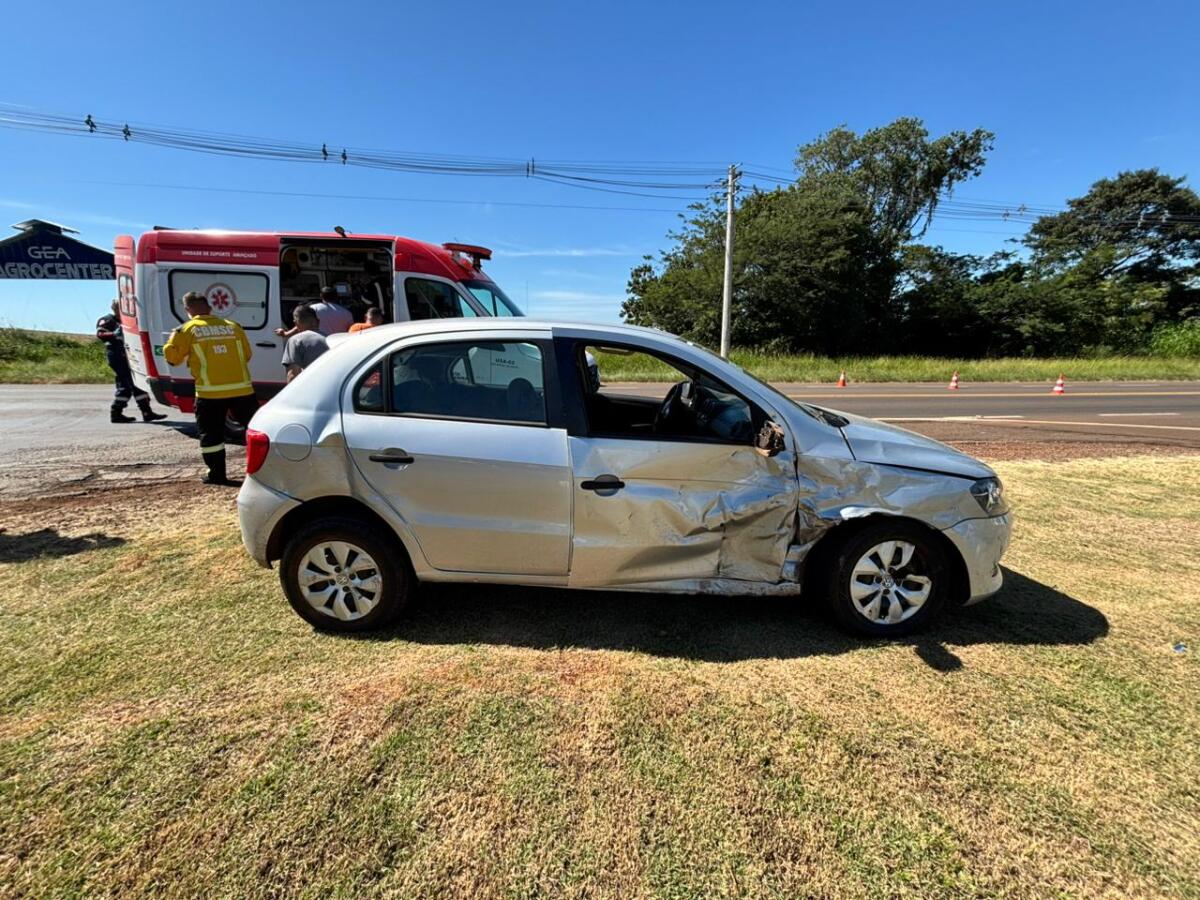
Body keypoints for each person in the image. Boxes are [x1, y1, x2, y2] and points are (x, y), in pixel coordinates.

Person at [164, 291, 257, 486]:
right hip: (243, 390)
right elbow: (247, 355)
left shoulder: (186, 330)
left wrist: (172, 341)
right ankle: (265, 471)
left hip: (210, 393)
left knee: (212, 436)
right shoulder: (233, 326)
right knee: (256, 431)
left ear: (187, 309)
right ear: (209, 306)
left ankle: (217, 474)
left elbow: (173, 359)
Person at [96, 300, 167, 424]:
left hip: (131, 355)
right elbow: (100, 334)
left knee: (138, 383)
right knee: (126, 385)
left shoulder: (129, 321)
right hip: (117, 355)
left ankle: (147, 412)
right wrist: (114, 335)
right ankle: (116, 412)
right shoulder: (108, 320)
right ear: (115, 308)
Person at [274, 286, 352, 338]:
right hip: (338, 346)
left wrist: (286, 334)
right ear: (336, 296)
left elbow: (301, 324)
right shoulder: (347, 313)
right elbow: (351, 332)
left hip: (318, 343)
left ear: (321, 295)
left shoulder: (313, 308)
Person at [281, 305, 329, 382]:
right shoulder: (332, 339)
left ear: (296, 324)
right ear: (318, 321)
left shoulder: (295, 340)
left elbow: (292, 375)